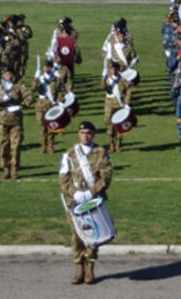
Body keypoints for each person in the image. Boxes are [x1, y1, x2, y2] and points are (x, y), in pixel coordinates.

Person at [59, 121, 113, 285]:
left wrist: (92, 191)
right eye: (82, 133)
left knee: (92, 234)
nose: (85, 136)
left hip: (93, 200)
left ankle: (90, 268)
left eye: (89, 133)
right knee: (77, 235)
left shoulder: (101, 152)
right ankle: (78, 268)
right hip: (74, 201)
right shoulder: (70, 154)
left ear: (94, 134)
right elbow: (63, 178)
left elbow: (106, 176)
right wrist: (73, 193)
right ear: (78, 134)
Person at [0, 66, 33, 179]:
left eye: (9, 74)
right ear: (3, 76)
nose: (7, 76)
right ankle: (6, 169)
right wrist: (2, 100)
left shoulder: (19, 87)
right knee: (3, 146)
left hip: (16, 120)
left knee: (16, 146)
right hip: (2, 120)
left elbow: (30, 98)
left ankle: (14, 169)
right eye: (5, 74)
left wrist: (21, 105)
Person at [35, 59, 66, 154]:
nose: (47, 68)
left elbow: (61, 91)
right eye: (45, 67)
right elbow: (33, 88)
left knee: (51, 126)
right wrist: (36, 79)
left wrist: (60, 102)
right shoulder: (40, 78)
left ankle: (50, 146)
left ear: (51, 68)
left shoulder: (56, 79)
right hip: (41, 104)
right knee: (42, 125)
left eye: (49, 67)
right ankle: (43, 146)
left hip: (52, 105)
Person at [101, 62, 132, 153]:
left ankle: (118, 143)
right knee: (108, 122)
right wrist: (103, 77)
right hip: (109, 103)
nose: (113, 71)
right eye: (111, 69)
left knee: (119, 124)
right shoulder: (107, 78)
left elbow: (128, 91)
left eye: (114, 69)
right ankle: (111, 143)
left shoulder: (122, 79)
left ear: (117, 69)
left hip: (119, 104)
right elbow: (102, 87)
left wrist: (127, 104)